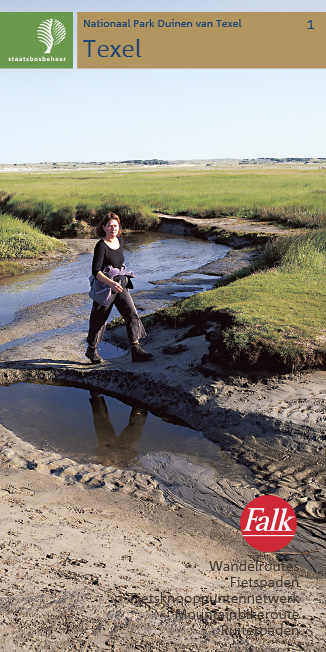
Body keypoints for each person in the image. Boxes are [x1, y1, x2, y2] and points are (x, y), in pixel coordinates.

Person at [86, 212, 153, 364]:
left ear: (119, 228)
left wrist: (120, 281)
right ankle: (91, 350)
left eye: (115, 226)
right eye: (110, 226)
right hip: (105, 287)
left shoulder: (119, 241)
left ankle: (136, 350)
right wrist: (111, 283)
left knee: (131, 314)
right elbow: (95, 271)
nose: (113, 229)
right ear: (103, 227)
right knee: (99, 319)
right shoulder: (101, 245)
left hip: (120, 285)